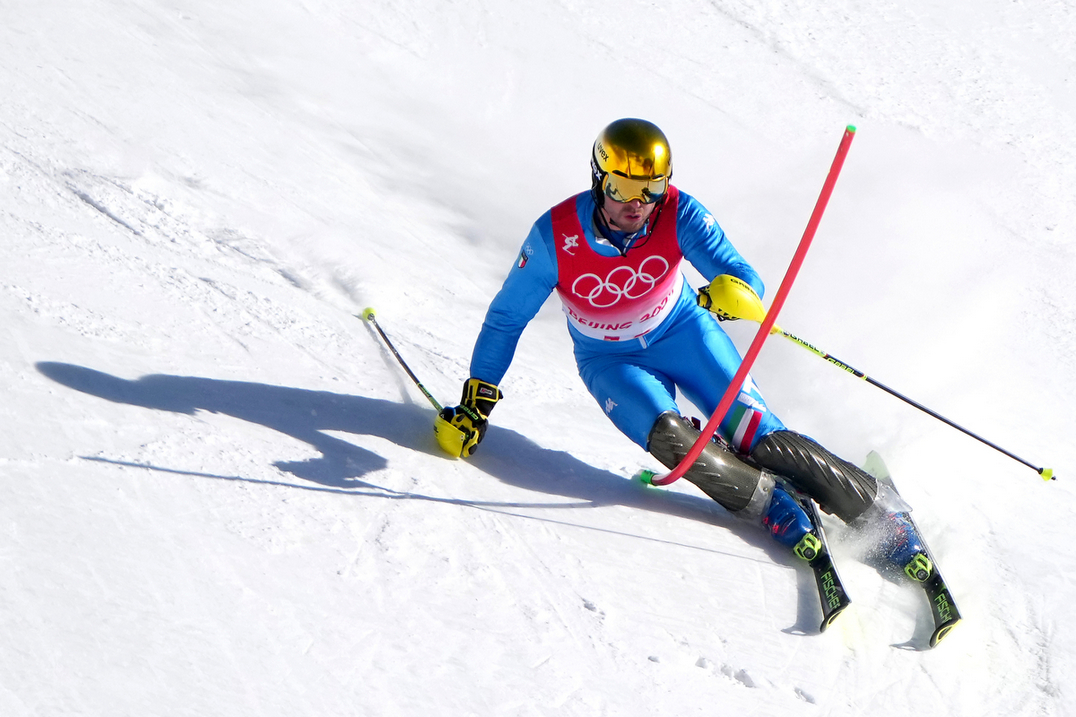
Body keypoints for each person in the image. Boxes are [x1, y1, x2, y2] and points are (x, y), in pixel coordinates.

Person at [435, 118, 925, 572]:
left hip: (684, 331)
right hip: (611, 360)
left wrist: (731, 293)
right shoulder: (555, 236)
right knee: (675, 440)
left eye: (651, 187)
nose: (637, 202)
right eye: (622, 186)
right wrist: (475, 403)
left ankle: (881, 511)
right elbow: (506, 318)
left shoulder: (679, 212)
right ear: (597, 178)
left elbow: (742, 276)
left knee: (760, 438)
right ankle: (773, 506)